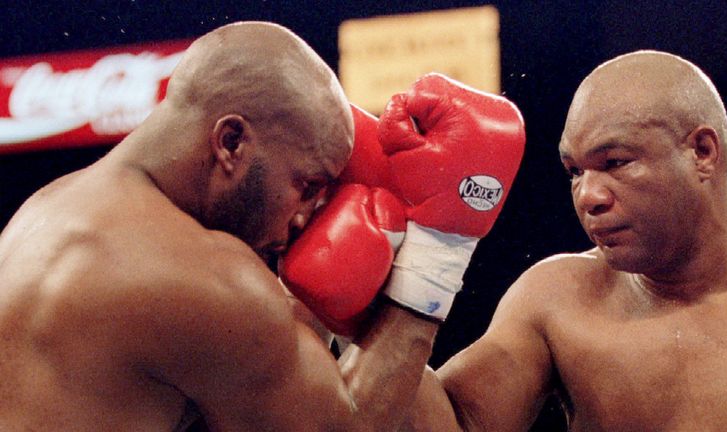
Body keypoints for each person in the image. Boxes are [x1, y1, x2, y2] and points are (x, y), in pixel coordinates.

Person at [0, 21, 447, 431]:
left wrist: (314, 298)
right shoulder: (197, 274)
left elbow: (242, 371)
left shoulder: (46, 209)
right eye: (307, 185)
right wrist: (438, 250)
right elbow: (346, 427)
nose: (306, 214)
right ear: (231, 142)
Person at [402, 50, 727, 431]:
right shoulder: (559, 299)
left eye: (615, 162)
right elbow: (458, 426)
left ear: (702, 152)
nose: (588, 196)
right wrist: (401, 274)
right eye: (574, 171)